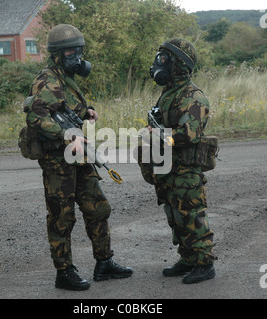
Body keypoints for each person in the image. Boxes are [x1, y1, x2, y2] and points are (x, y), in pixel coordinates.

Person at [25, 24, 132, 291]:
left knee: (98, 207)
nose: (77, 56)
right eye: (71, 51)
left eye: (79, 51)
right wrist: (67, 136)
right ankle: (64, 272)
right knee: (62, 216)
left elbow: (67, 108)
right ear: (58, 54)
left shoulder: (65, 78)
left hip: (79, 155)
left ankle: (104, 263)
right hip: (58, 160)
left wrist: (87, 111)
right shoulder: (46, 80)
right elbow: (36, 118)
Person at [139, 38, 216, 284]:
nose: (158, 63)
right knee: (175, 214)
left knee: (191, 214)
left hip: (186, 169)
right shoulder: (170, 93)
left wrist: (158, 135)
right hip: (168, 166)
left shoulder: (193, 97)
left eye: (164, 59)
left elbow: (189, 135)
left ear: (178, 64)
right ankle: (187, 259)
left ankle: (204, 263)